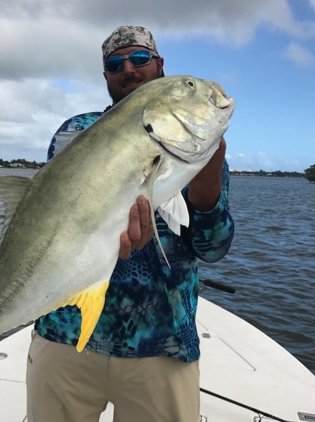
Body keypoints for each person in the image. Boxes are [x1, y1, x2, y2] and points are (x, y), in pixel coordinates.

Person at [26, 25, 235, 422]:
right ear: (105, 75)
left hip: (161, 343)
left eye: (139, 59)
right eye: (115, 63)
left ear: (158, 65)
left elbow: (213, 249)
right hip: (64, 333)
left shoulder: (199, 145)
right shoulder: (73, 134)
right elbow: (47, 227)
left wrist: (207, 187)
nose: (128, 69)